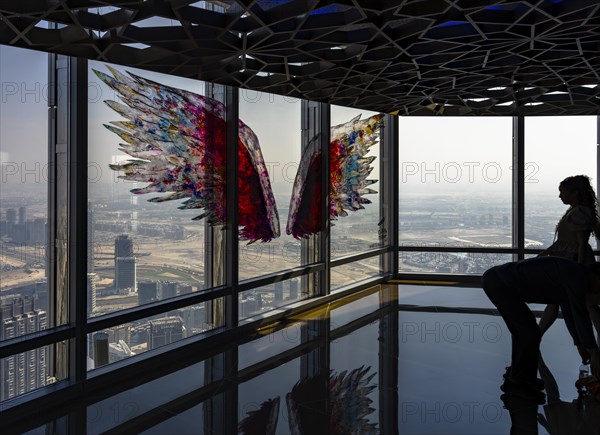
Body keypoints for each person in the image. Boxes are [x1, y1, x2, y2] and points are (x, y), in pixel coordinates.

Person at [481, 256, 600, 402]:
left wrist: (580, 344)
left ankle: (522, 377)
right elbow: (581, 315)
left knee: (525, 332)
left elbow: (570, 314)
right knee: (528, 333)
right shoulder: (578, 277)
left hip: (497, 280)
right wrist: (593, 352)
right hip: (500, 283)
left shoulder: (576, 274)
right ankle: (517, 383)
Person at [538, 175, 600, 354]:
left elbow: (581, 243)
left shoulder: (578, 213)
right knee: (585, 304)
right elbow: (566, 242)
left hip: (571, 263)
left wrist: (578, 269)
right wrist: (545, 254)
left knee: (582, 303)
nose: (560, 196)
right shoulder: (575, 211)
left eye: (563, 192)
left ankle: (537, 335)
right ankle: (538, 335)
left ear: (575, 193)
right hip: (570, 262)